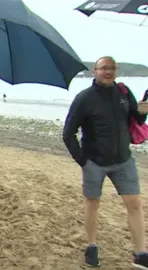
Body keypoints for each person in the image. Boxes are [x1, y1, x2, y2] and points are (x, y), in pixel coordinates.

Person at [62, 56, 148, 268]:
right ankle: (91, 246)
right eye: (104, 68)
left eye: (112, 68)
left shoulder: (123, 91)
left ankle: (141, 253)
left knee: (135, 204)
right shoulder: (85, 98)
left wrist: (143, 112)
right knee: (93, 204)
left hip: (123, 160)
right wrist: (83, 160)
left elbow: (135, 119)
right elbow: (68, 133)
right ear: (95, 71)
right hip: (95, 162)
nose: (108, 72)